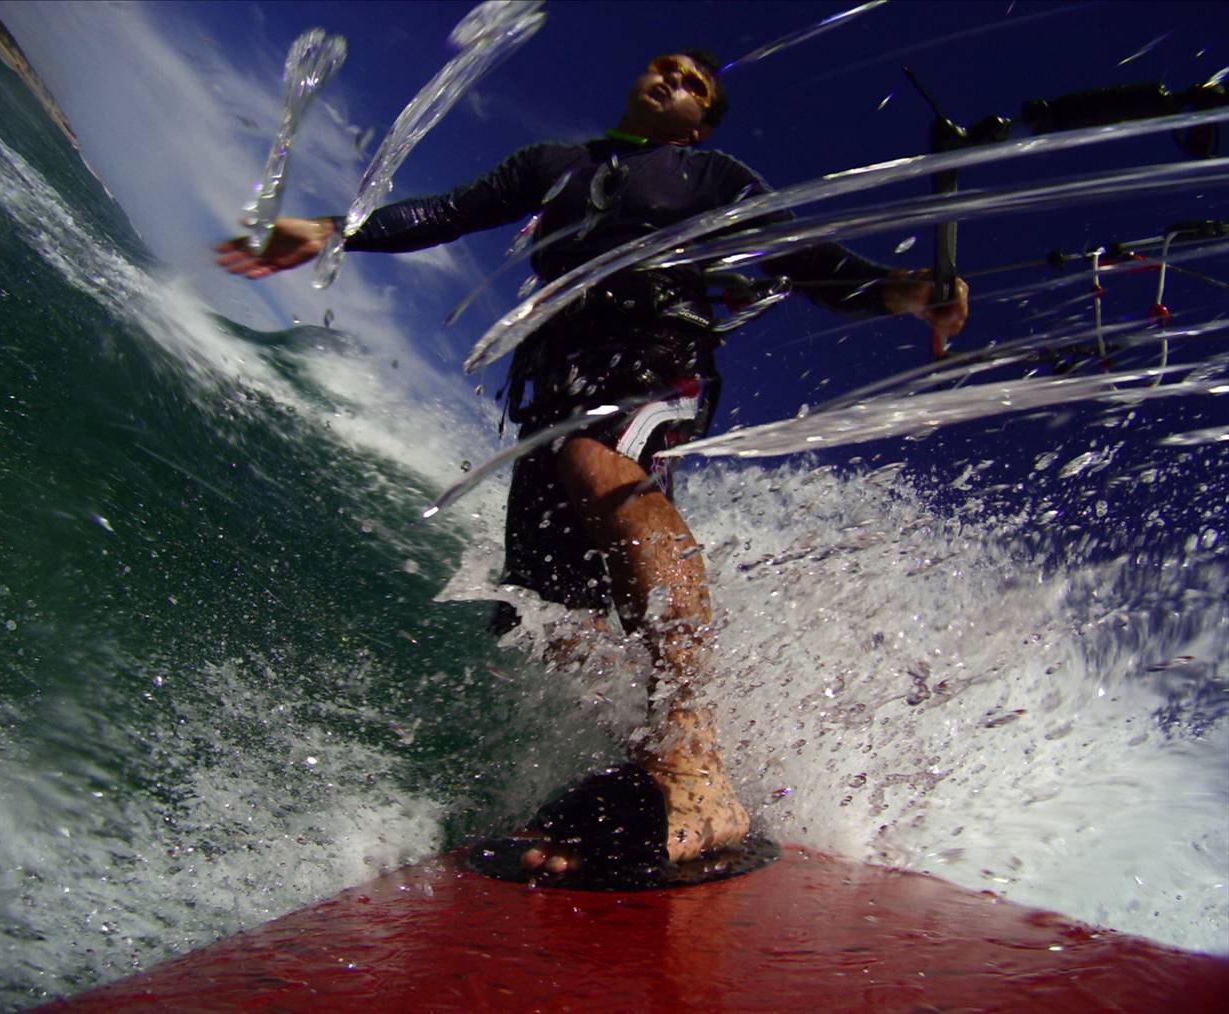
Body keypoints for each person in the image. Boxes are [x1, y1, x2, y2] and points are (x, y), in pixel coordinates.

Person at [217, 50, 969, 878]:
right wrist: (335, 230)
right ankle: (637, 763)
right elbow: (449, 212)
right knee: (537, 608)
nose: (675, 78)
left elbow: (806, 260)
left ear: (703, 121)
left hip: (657, 351)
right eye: (666, 67)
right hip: (555, 376)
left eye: (695, 83)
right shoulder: (553, 164)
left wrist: (901, 291)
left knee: (600, 460)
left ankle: (692, 759)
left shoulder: (714, 176)